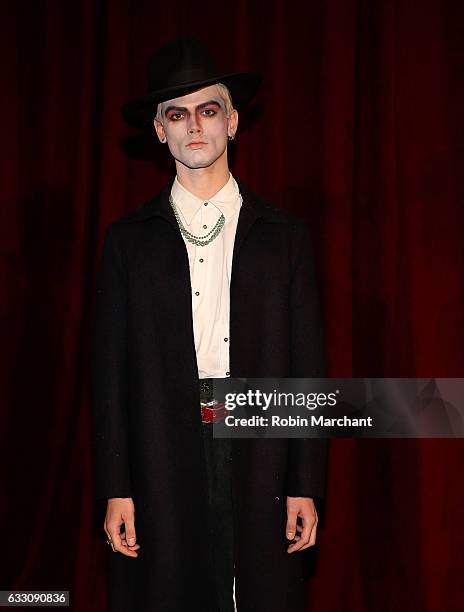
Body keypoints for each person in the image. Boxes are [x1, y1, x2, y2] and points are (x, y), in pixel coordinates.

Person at [91, 36, 328, 612]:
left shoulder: (284, 236)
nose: (193, 126)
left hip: (259, 434)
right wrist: (117, 487)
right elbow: (109, 376)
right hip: (161, 443)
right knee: (171, 589)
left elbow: (307, 366)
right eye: (177, 113)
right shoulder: (128, 241)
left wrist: (305, 481)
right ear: (158, 130)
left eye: (208, 109)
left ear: (232, 121)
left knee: (258, 589)